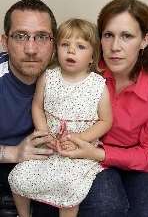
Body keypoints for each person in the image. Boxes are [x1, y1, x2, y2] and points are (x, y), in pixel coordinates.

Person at [49, 0, 148, 217]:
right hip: (88, 157)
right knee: (105, 206)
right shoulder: (86, 70)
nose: (115, 47)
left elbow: (147, 154)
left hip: (133, 163)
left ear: (144, 40)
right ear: (99, 39)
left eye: (127, 36)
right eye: (108, 35)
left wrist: (98, 153)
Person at [8, 18, 112, 217]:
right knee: (18, 177)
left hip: (79, 150)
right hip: (48, 145)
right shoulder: (48, 77)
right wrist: (45, 134)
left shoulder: (98, 85)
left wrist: (79, 139)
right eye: (65, 45)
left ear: (92, 56)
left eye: (80, 46)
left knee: (70, 189)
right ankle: (24, 215)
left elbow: (106, 121)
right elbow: (37, 107)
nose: (71, 51)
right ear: (56, 49)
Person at [0, 0, 57, 216]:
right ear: (5, 41)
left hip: (45, 171)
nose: (31, 49)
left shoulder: (66, 77)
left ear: (53, 42)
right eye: (20, 36)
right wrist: (14, 152)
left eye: (42, 37)